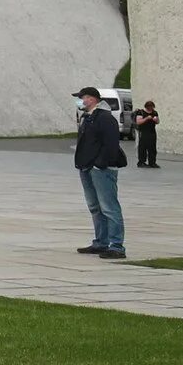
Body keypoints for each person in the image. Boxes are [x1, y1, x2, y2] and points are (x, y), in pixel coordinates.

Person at [73, 87, 127, 258]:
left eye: (83, 98)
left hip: (101, 169)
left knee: (109, 207)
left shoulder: (104, 117)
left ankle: (116, 245)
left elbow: (111, 144)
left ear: (93, 99)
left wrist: (100, 164)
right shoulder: (88, 117)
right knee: (95, 207)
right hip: (86, 167)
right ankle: (101, 242)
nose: (80, 101)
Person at [132, 99, 160, 168]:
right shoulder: (141, 112)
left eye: (152, 107)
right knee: (143, 147)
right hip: (143, 132)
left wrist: (156, 120)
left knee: (152, 148)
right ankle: (141, 162)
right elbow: (138, 122)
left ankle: (152, 162)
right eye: (149, 107)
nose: (151, 108)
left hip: (152, 132)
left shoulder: (155, 113)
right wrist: (147, 118)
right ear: (147, 106)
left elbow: (158, 122)